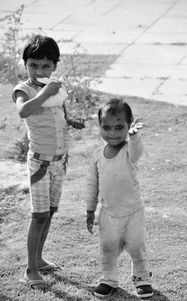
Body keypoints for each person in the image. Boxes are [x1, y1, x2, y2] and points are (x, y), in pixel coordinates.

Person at [12, 34, 85, 291]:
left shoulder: (58, 90)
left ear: (54, 66)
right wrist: (45, 92)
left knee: (50, 213)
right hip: (40, 165)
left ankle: (40, 259)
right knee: (38, 215)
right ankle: (30, 269)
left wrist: (72, 121)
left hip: (59, 162)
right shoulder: (25, 90)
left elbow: (61, 115)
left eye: (45, 66)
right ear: (25, 65)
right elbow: (24, 111)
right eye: (33, 65)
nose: (39, 70)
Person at [86, 98, 153, 299]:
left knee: (136, 246)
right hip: (108, 214)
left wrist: (134, 137)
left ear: (128, 125)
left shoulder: (129, 151)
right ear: (99, 126)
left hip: (133, 213)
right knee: (107, 249)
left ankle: (142, 279)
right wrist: (90, 210)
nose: (112, 133)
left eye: (119, 127)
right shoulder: (97, 155)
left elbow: (137, 151)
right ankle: (108, 279)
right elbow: (92, 184)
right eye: (106, 127)